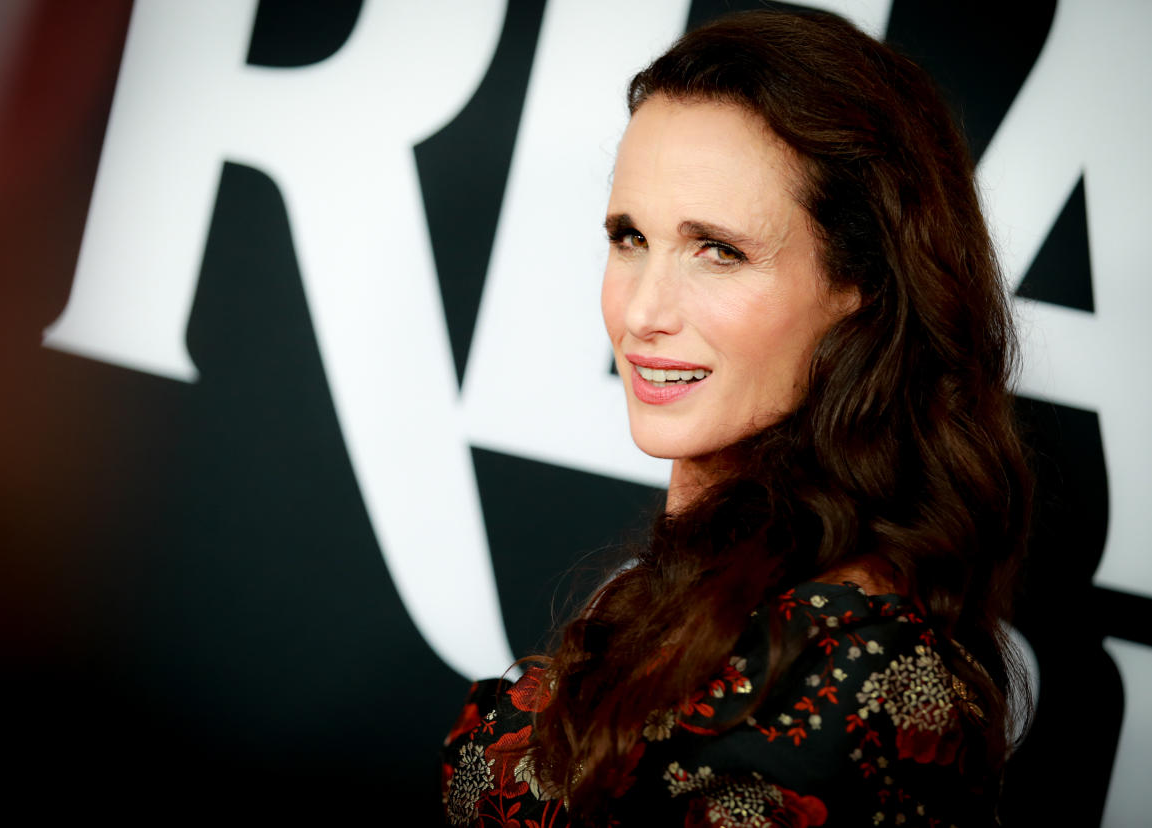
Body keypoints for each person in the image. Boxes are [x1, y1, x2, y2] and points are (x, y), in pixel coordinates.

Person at [442, 9, 1031, 827]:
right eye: (629, 238)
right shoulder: (701, 595)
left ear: (860, 283)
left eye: (718, 250)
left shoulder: (861, 672)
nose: (642, 311)